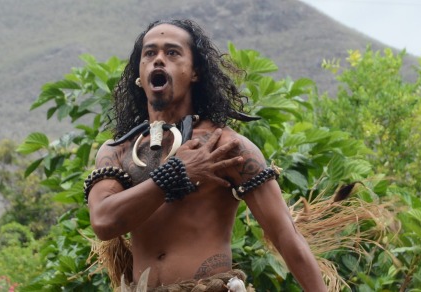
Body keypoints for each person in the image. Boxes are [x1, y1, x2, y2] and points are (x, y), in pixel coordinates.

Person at [85, 19, 326, 291]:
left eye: (172, 52)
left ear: (195, 71)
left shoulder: (226, 147)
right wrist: (175, 173)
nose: (159, 60)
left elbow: (286, 237)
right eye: (150, 53)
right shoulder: (117, 151)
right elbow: (104, 222)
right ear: (139, 73)